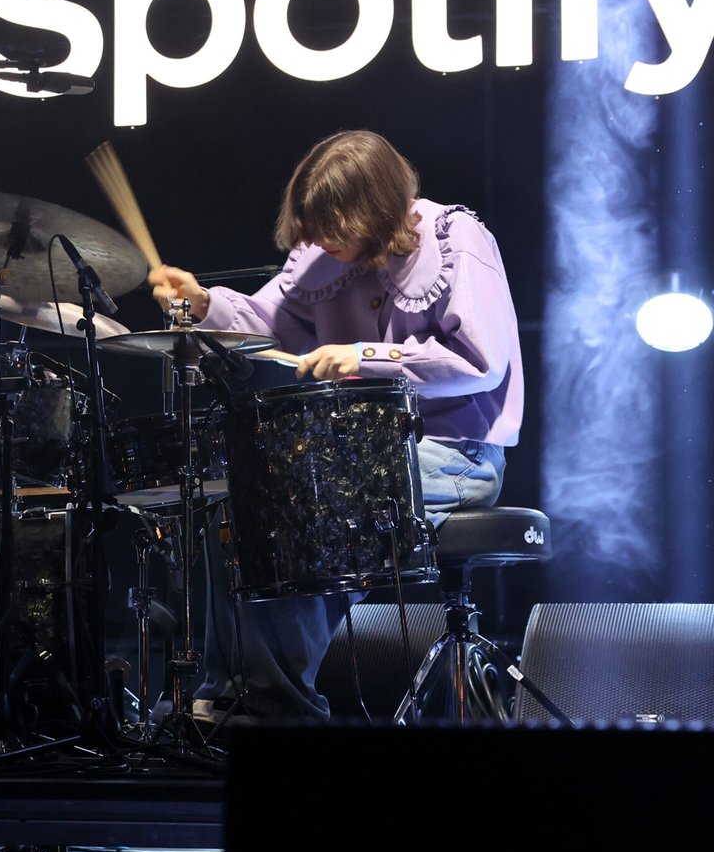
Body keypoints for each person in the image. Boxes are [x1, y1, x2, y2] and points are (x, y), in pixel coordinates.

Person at [146, 129, 522, 721]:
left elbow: (481, 363)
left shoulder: (454, 240)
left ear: (374, 209)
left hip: (453, 454)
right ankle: (230, 693)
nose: (320, 239)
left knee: (303, 502)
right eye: (313, 226)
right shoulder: (324, 256)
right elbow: (265, 323)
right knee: (239, 502)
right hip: (355, 450)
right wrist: (203, 302)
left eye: (333, 224)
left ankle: (276, 707)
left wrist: (366, 355)